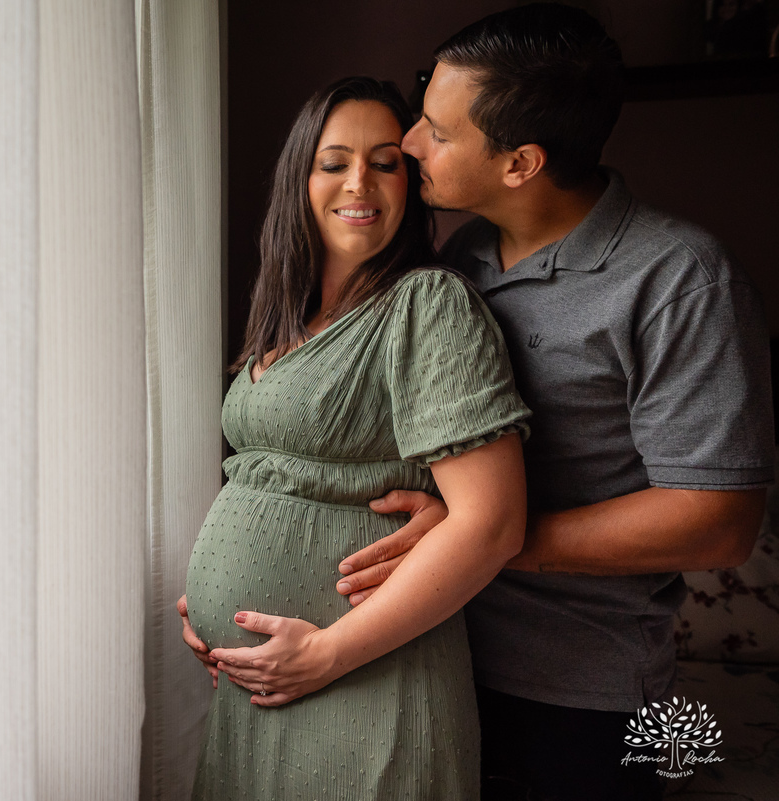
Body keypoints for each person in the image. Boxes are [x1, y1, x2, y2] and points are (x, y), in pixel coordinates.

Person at [195, 5, 773, 800]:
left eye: (435, 129)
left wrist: (490, 536)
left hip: (575, 683)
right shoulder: (460, 256)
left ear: (520, 163)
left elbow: (721, 521)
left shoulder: (679, 279)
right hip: (426, 641)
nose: (409, 143)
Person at [179, 76, 531, 800]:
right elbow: (270, 480)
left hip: (367, 678)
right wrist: (213, 599)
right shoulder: (285, 317)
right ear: (299, 179)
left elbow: (492, 524)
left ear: (412, 180)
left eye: (385, 160)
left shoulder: (428, 306)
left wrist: (326, 653)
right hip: (262, 686)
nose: (359, 182)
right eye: (334, 162)